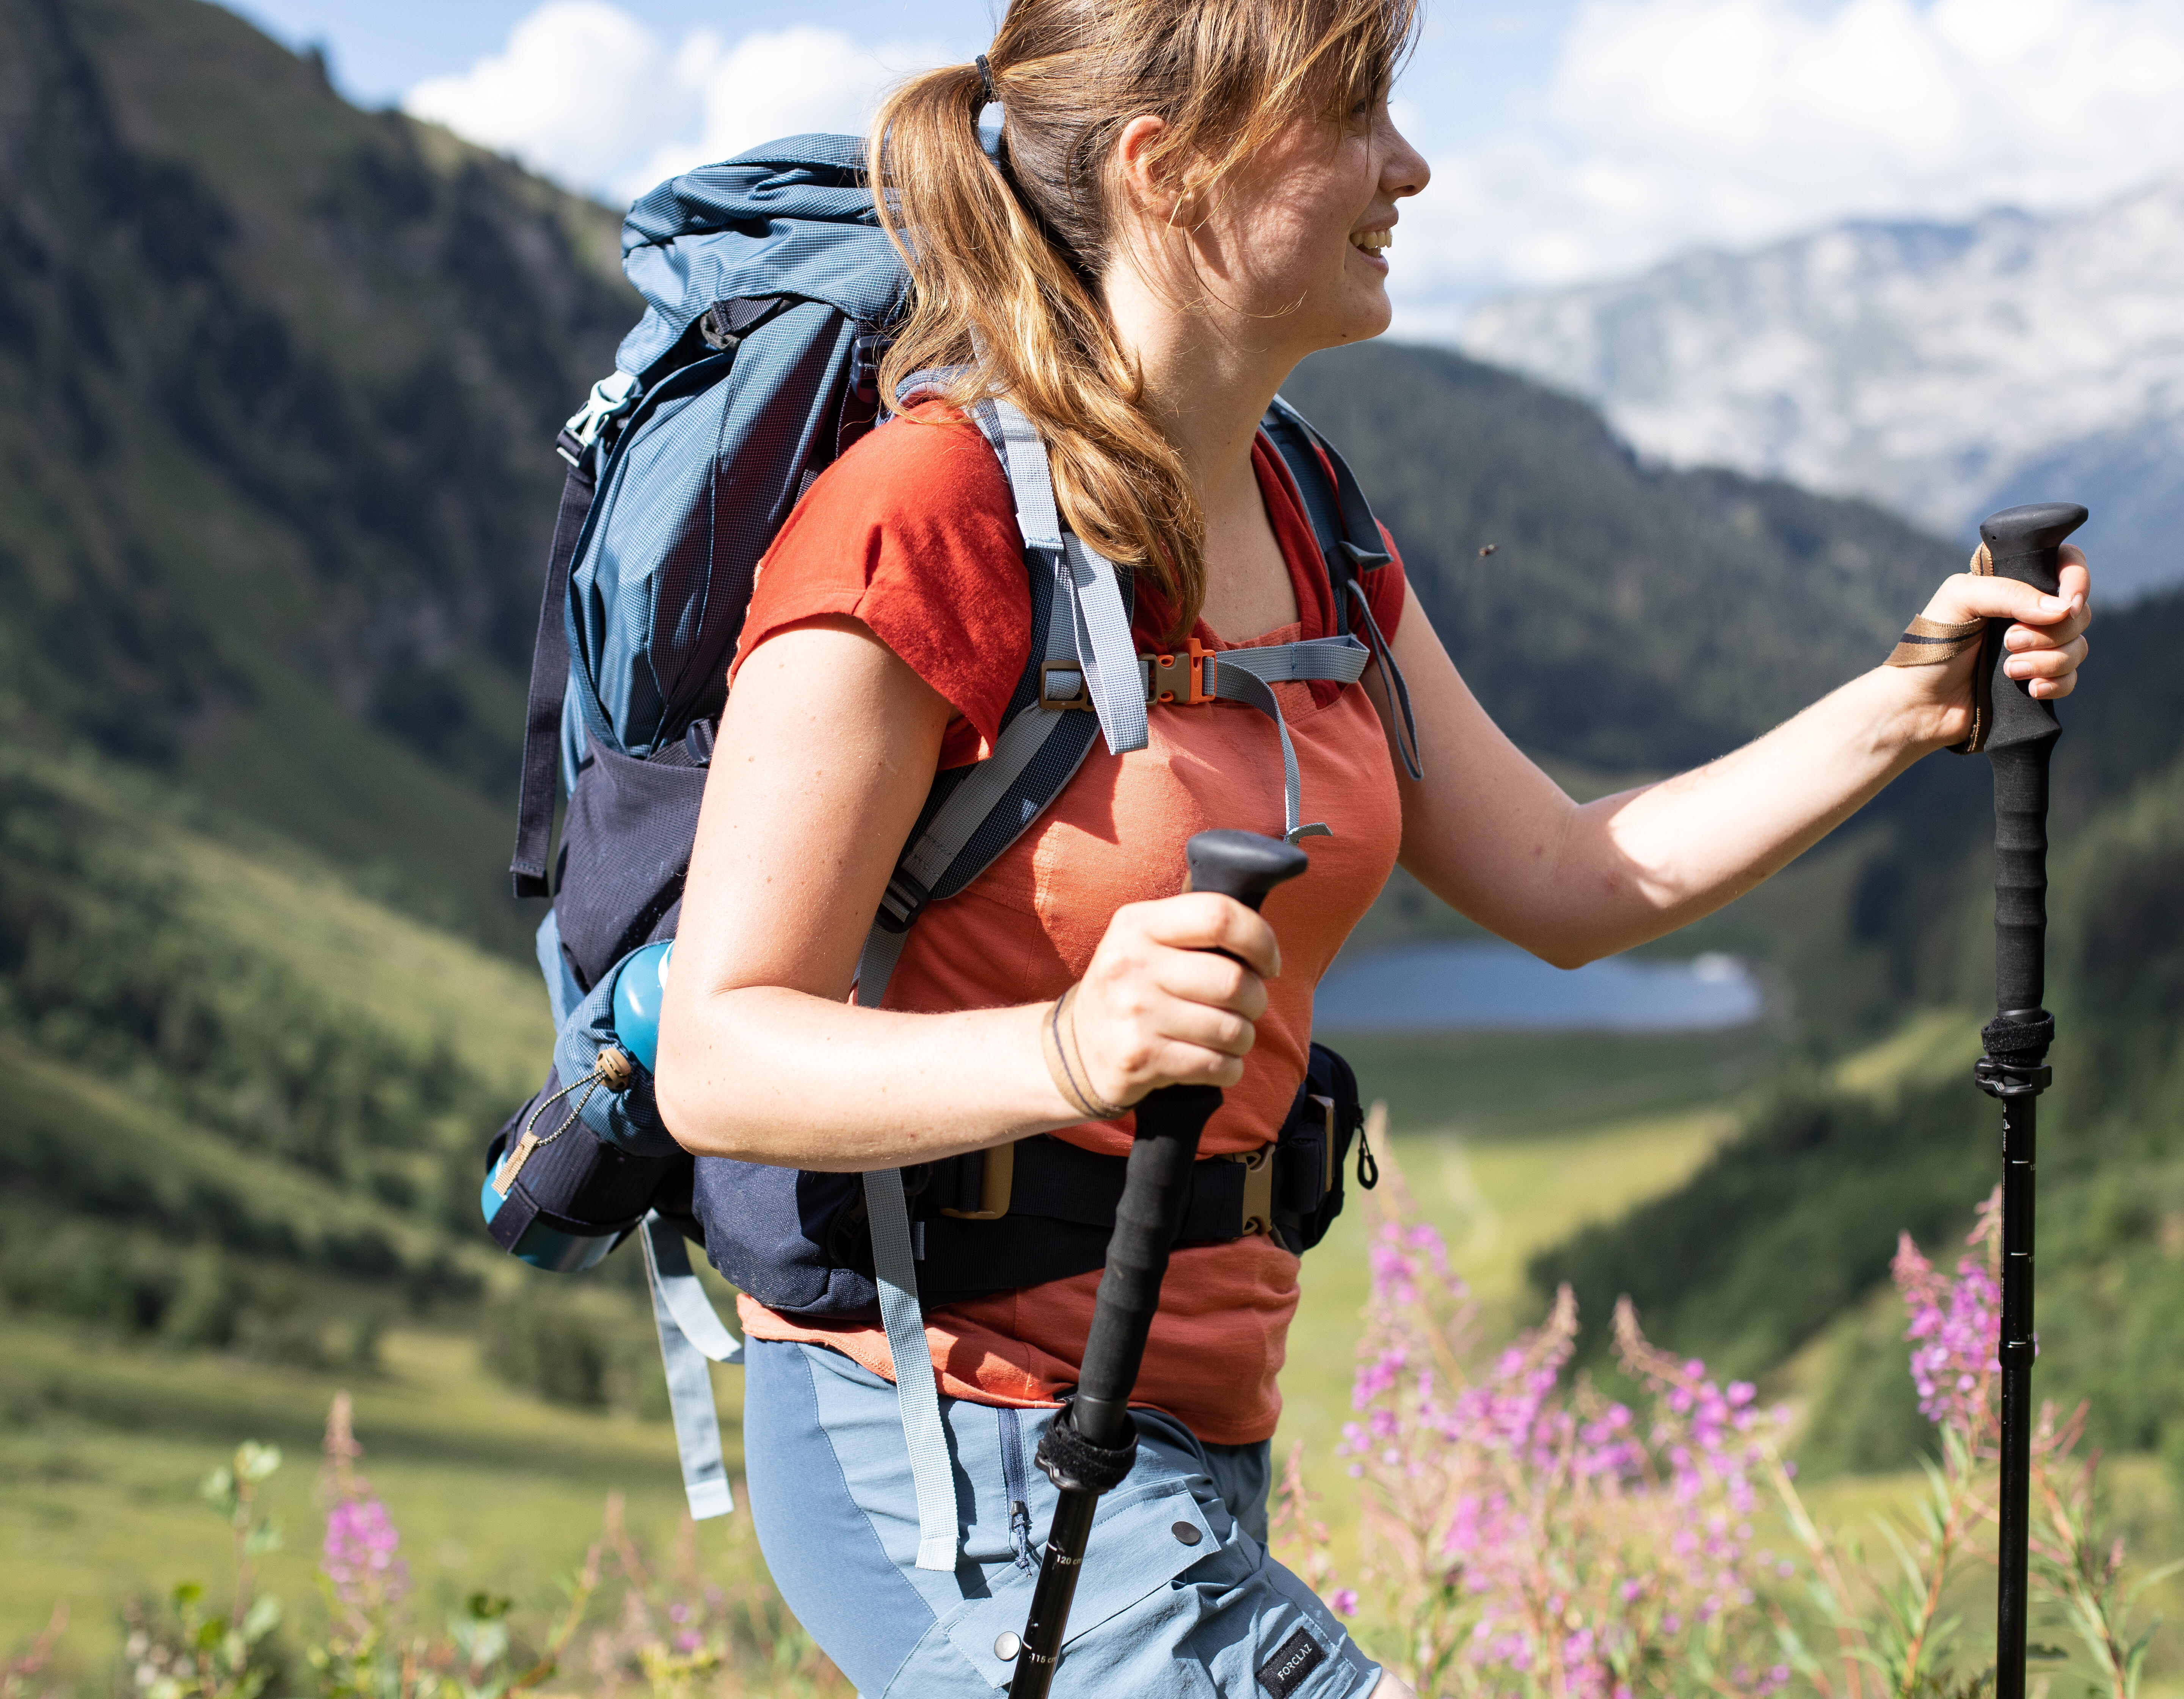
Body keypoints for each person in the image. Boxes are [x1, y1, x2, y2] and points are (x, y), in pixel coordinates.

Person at [651, 0, 2094, 1691]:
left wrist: (1910, 704)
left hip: (1182, 1431)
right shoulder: (926, 516)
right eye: (1351, 114)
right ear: (1166, 170)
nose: (1408, 166)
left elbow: (1563, 877)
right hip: (947, 1436)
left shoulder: (1304, 509)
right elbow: (718, 1047)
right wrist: (1064, 1047)